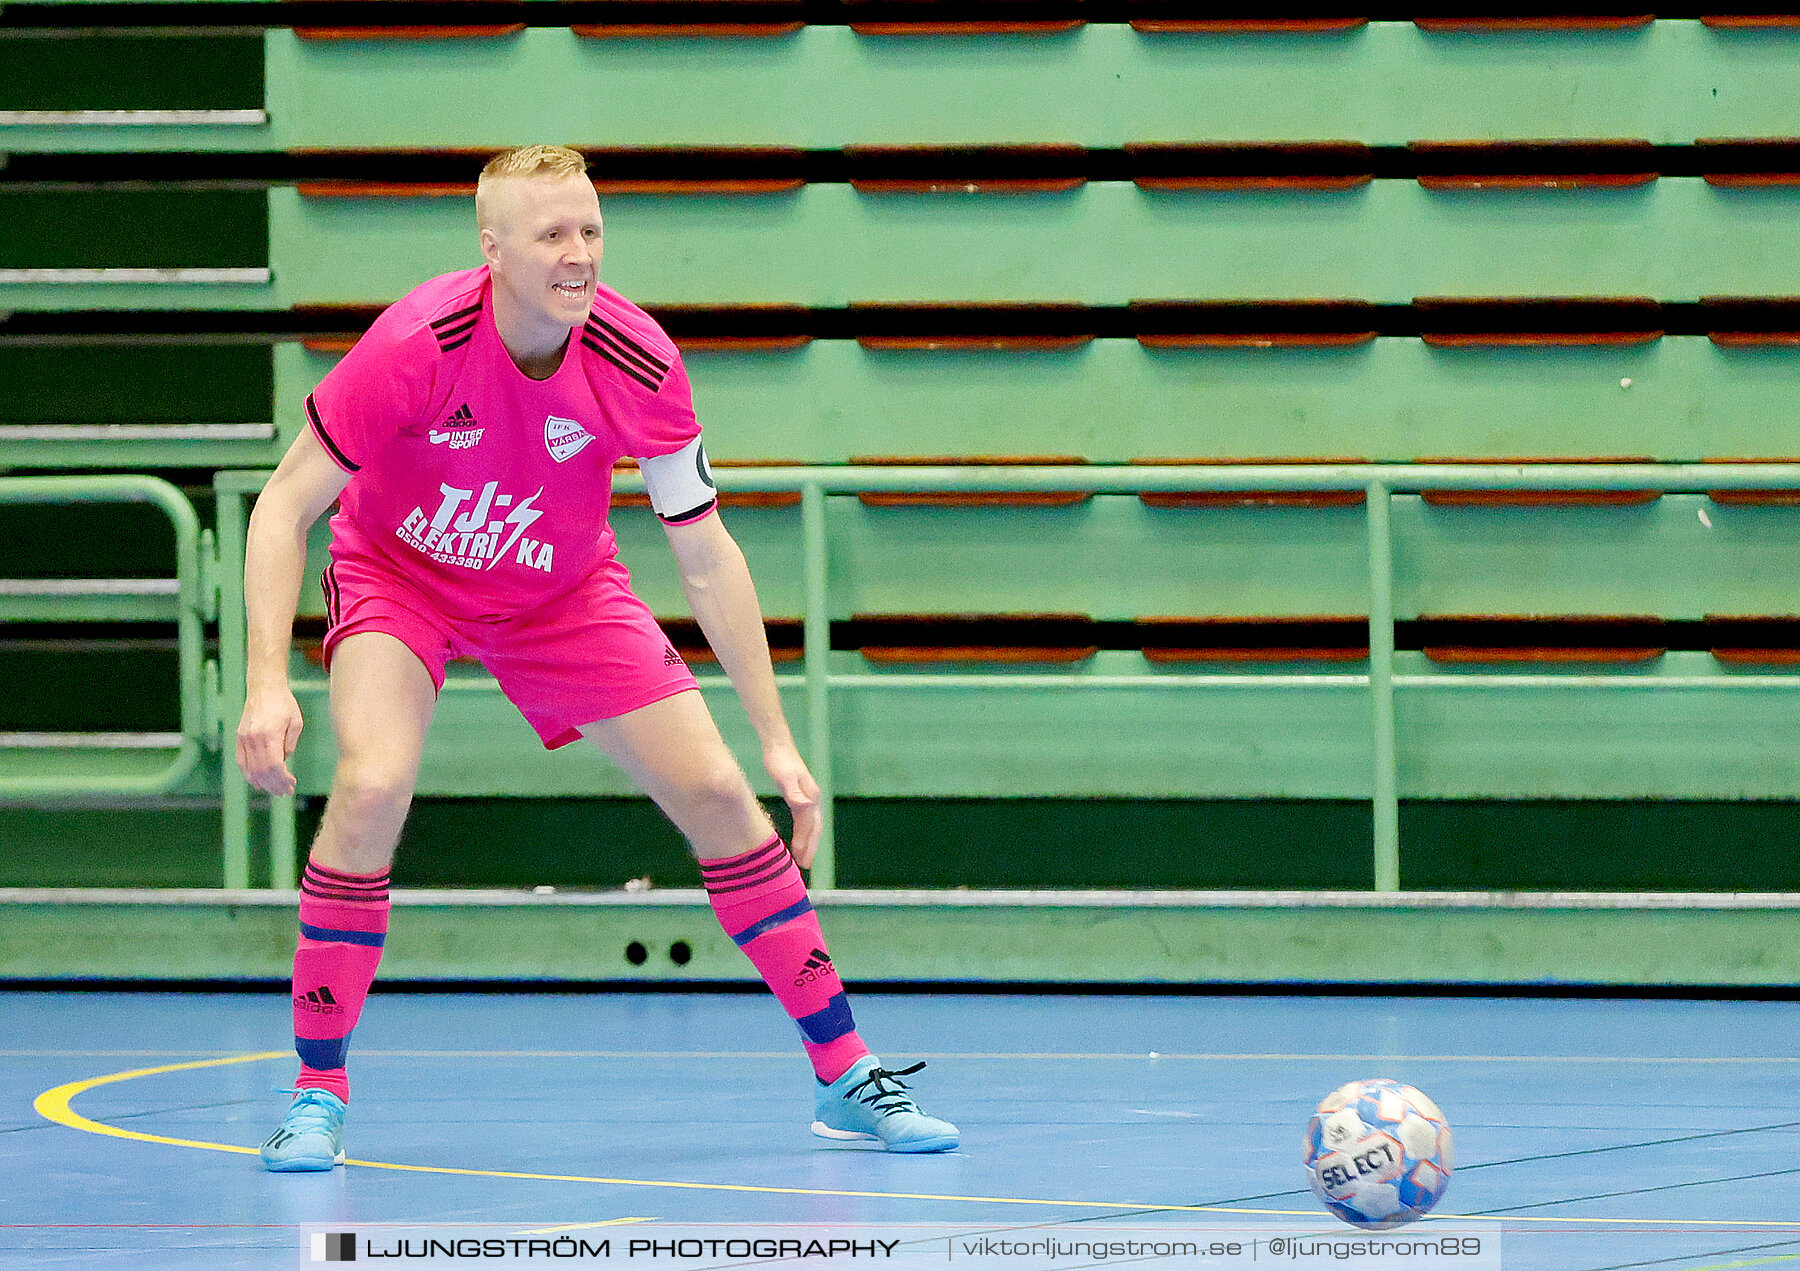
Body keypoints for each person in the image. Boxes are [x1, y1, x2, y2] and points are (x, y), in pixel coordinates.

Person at [237, 144, 957, 1170]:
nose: (579, 255)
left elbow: (705, 553)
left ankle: (845, 1071)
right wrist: (268, 680)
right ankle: (316, 1088)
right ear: (492, 249)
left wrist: (778, 741)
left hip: (560, 589)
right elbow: (284, 503)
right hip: (403, 575)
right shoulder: (417, 342)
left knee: (719, 791)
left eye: (591, 230)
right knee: (372, 782)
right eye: (551, 235)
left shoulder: (638, 356)